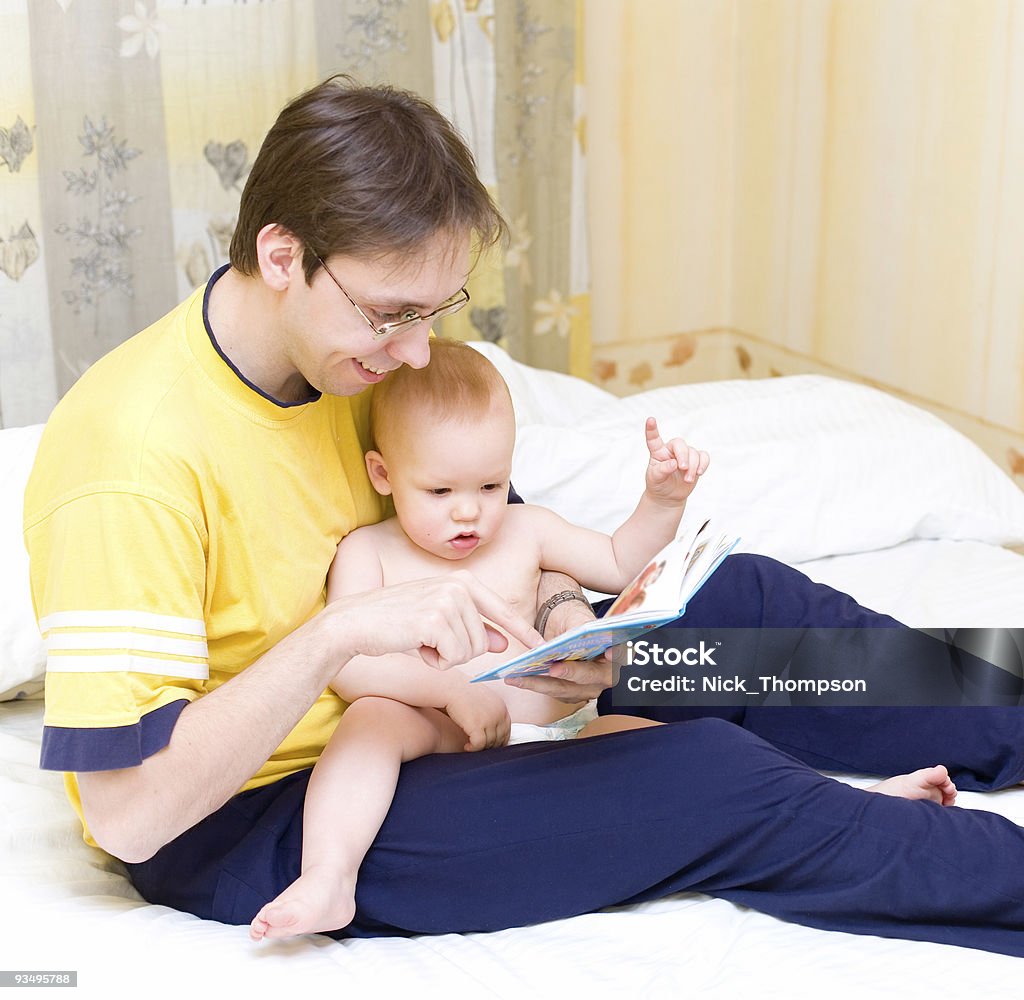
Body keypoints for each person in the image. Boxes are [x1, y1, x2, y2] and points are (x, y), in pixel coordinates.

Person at [23, 76, 1024, 959]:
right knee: (702, 777)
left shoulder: (342, 358)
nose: (414, 352)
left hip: (465, 698)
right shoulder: (132, 457)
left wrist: (556, 615)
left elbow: (479, 514)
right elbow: (132, 815)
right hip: (279, 807)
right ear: (282, 253)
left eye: (434, 311)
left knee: (740, 602)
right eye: (390, 314)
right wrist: (334, 640)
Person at [249, 338, 957, 941]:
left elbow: (621, 563)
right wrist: (446, 694)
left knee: (698, 753)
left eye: (491, 485)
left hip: (564, 735)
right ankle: (328, 876)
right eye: (439, 493)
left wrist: (661, 502)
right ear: (383, 475)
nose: (469, 512)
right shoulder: (368, 552)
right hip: (438, 740)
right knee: (372, 723)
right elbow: (347, 668)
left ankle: (855, 801)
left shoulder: (525, 532)